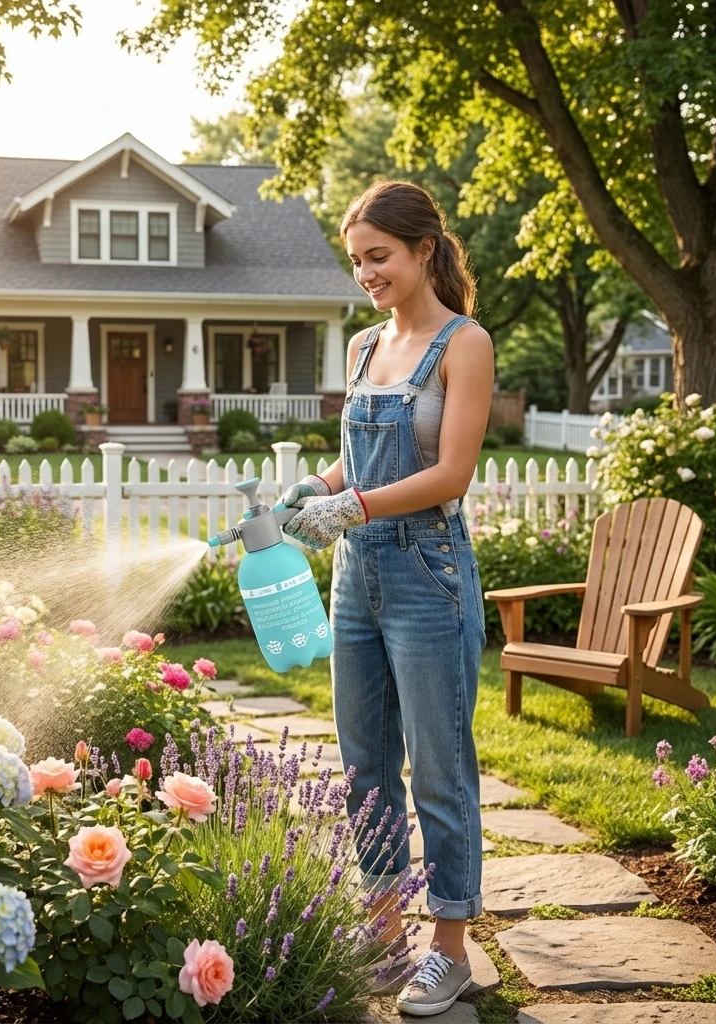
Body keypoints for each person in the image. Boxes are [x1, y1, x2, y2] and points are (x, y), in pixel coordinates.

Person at [272, 180, 494, 1017]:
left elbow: (450, 475)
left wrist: (352, 504)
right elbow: (352, 467)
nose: (366, 273)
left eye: (379, 257)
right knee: (365, 767)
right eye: (357, 260)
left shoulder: (463, 344)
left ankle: (448, 949)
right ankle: (382, 927)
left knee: (440, 767)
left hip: (427, 574)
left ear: (422, 251)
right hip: (356, 579)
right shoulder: (365, 347)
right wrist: (313, 489)